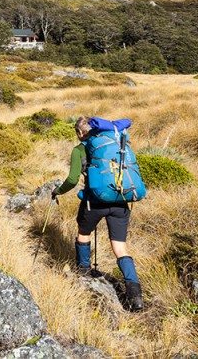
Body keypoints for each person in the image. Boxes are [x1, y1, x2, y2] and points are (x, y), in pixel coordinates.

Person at [50, 115, 144, 311]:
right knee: (120, 247)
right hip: (121, 201)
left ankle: (83, 273)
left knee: (83, 235)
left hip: (94, 202)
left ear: (79, 133)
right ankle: (135, 296)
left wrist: (57, 191)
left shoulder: (79, 150)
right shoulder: (114, 144)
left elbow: (73, 179)